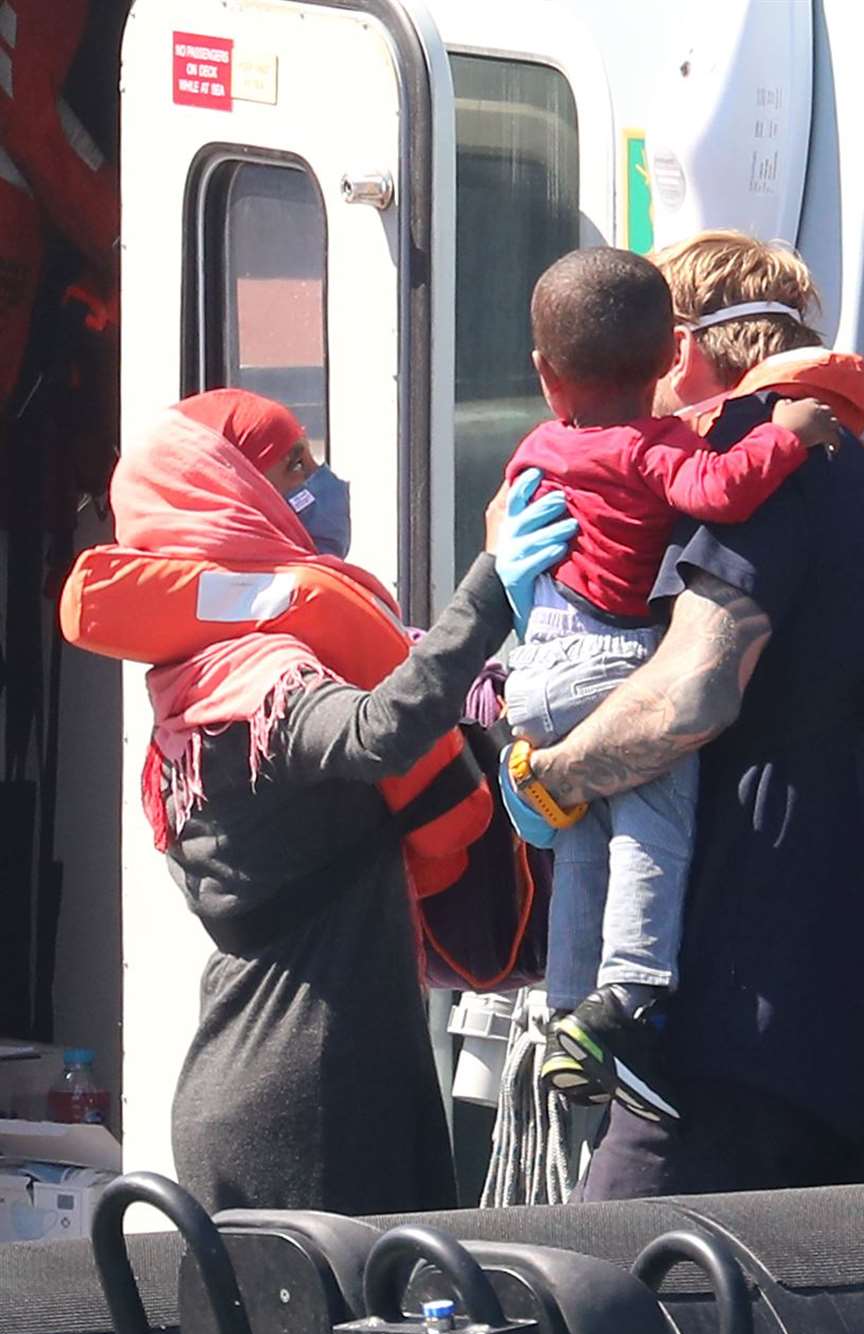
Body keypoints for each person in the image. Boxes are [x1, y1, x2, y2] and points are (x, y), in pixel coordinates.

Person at [502, 230, 864, 1197]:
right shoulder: (853, 471)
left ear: (685, 347)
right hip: (832, 981)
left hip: (744, 994)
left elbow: (691, 693)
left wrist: (549, 777)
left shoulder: (767, 464)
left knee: (615, 1293)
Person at [104, 388, 571, 1215]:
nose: (321, 485)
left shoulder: (197, 686)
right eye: (295, 467)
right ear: (230, 493)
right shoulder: (252, 686)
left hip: (301, 1082)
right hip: (309, 1099)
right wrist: (491, 585)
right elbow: (376, 733)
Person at [500, 247, 839, 1123]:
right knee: (651, 830)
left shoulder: (538, 447)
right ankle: (630, 992)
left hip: (534, 664)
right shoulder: (658, 448)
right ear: (665, 358)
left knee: (581, 844)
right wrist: (788, 435)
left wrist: (540, 773)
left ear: (544, 374)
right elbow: (721, 491)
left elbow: (514, 516)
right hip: (615, 662)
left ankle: (567, 1007)